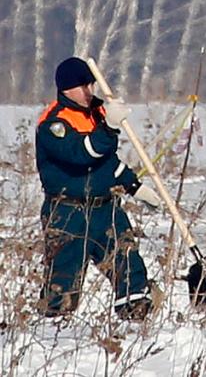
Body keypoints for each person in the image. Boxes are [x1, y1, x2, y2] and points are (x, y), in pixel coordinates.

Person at [36, 57, 161, 321]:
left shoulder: (96, 113)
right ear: (65, 88)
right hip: (68, 213)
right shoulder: (54, 124)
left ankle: (135, 318)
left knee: (128, 264)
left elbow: (106, 163)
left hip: (105, 209)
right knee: (63, 282)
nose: (89, 91)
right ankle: (54, 331)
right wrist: (109, 128)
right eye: (82, 86)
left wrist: (134, 186)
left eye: (91, 84)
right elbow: (81, 154)